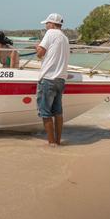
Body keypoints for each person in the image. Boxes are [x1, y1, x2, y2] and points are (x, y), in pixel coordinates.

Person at [35, 13, 70, 146]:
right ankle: (58, 142)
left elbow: (40, 54)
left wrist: (37, 47)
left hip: (48, 78)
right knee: (58, 112)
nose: (45, 26)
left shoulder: (50, 33)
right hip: (61, 79)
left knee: (45, 112)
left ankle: (51, 144)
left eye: (47, 23)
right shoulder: (65, 38)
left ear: (52, 24)